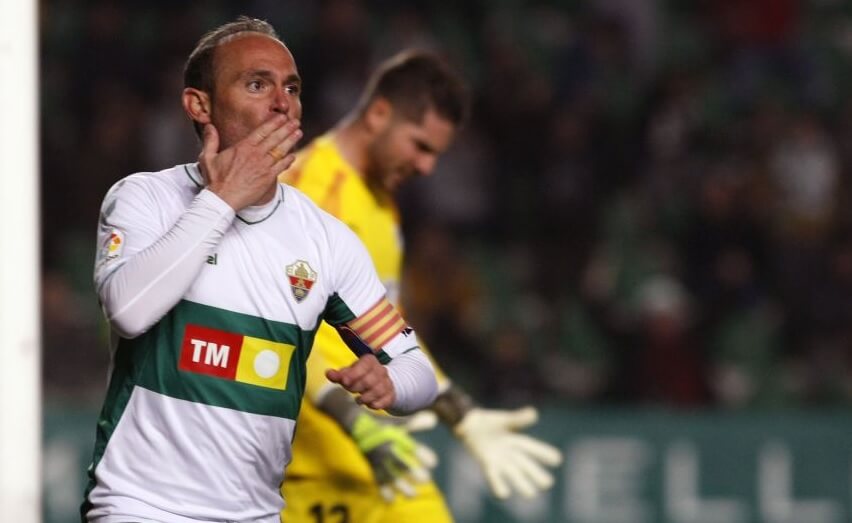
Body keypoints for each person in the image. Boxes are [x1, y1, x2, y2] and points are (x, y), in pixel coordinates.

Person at [80, 17, 438, 523]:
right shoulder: (147, 198)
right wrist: (223, 198)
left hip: (255, 514)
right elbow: (129, 311)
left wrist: (392, 385)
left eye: (291, 87)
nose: (281, 102)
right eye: (256, 84)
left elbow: (416, 368)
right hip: (140, 506)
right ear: (199, 105)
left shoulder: (328, 240)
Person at [279, 50, 563, 523]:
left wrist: (460, 412)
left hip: (376, 460)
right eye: (421, 146)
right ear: (379, 114)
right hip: (311, 467)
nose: (428, 167)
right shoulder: (312, 193)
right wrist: (358, 424)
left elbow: (386, 327)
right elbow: (281, 329)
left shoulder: (379, 201)